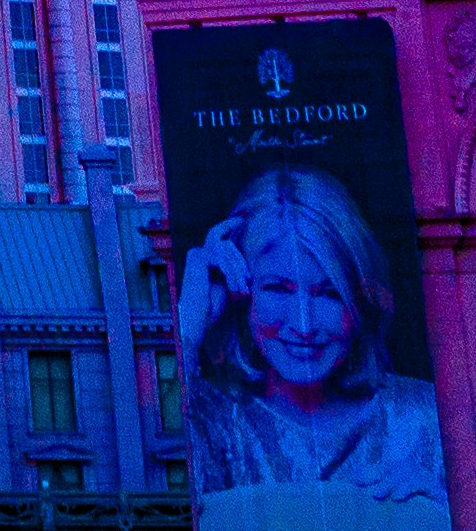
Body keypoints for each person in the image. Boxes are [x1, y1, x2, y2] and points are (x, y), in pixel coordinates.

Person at [174, 169, 450, 520]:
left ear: (360, 299)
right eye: (277, 289)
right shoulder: (208, 420)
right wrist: (188, 324)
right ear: (240, 292)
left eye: (329, 293)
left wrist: (446, 511)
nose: (304, 325)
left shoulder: (426, 416)